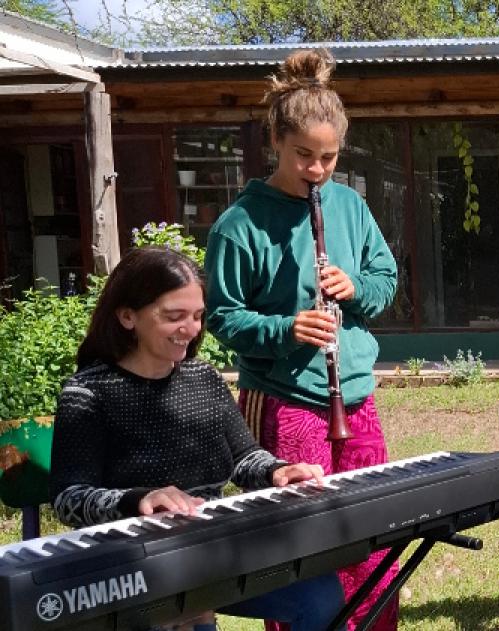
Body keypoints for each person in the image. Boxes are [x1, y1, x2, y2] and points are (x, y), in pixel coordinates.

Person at [203, 48, 399, 631]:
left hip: (355, 395)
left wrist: (355, 287)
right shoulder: (240, 224)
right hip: (286, 398)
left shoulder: (351, 205)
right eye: (303, 156)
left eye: (329, 158)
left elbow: (386, 281)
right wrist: (286, 330)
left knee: (372, 534)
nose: (317, 171)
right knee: (304, 551)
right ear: (276, 142)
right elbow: (221, 318)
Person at [49, 247, 345, 631]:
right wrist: (139, 499)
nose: (191, 330)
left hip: (209, 554)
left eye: (197, 316)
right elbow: (68, 498)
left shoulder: (201, 378)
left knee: (320, 597)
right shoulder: (88, 392)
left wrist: (278, 471)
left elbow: (242, 457)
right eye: (174, 317)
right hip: (132, 568)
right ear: (127, 316)